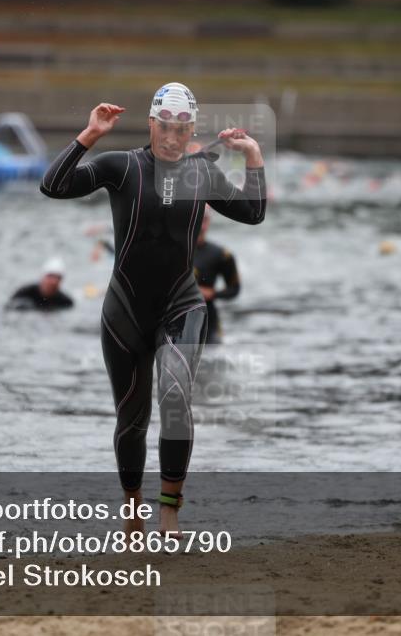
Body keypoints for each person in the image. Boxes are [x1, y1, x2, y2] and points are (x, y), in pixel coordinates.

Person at [39, 82, 266, 535]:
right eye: (165, 126)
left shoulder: (201, 175)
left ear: (191, 129)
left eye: (182, 128)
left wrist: (254, 157)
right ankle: (131, 512)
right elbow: (53, 186)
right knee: (132, 415)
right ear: (152, 124)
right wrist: (90, 135)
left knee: (177, 400)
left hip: (182, 304)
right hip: (125, 309)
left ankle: (169, 511)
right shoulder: (122, 167)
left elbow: (253, 212)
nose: (172, 136)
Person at [193, 211, 241, 344]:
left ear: (208, 223)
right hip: (176, 319)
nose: (201, 226)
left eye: (204, 220)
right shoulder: (174, 251)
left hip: (209, 321)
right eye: (198, 220)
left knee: (210, 359)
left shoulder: (221, 255)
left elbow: (234, 289)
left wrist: (212, 293)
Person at [5, 257, 74, 312]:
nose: (53, 281)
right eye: (50, 276)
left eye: (57, 278)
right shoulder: (24, 293)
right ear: (43, 277)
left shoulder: (65, 302)